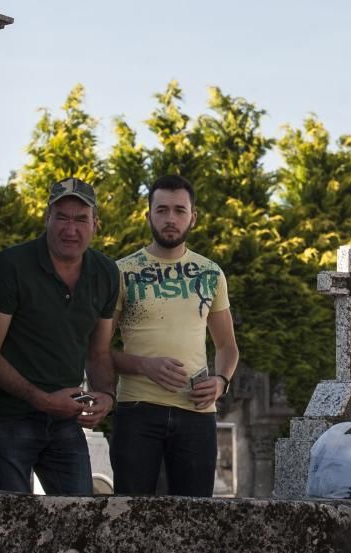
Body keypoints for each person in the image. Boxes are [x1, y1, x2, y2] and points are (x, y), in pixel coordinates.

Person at [0, 177, 120, 493]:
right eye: (61, 217)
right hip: (8, 418)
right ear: (46, 218)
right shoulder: (10, 266)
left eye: (80, 219)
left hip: (64, 422)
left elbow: (98, 352)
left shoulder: (106, 273)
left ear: (95, 224)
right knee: (10, 525)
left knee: (80, 522)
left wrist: (107, 396)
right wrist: (43, 400)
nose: (69, 229)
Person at [110, 174, 239, 497]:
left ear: (192, 217)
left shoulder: (210, 273)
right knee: (131, 517)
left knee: (195, 520)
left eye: (179, 210)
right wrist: (143, 365)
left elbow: (227, 346)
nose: (171, 219)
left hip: (196, 414)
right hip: (137, 409)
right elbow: (97, 350)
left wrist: (221, 381)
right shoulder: (122, 272)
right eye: (162, 210)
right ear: (148, 215)